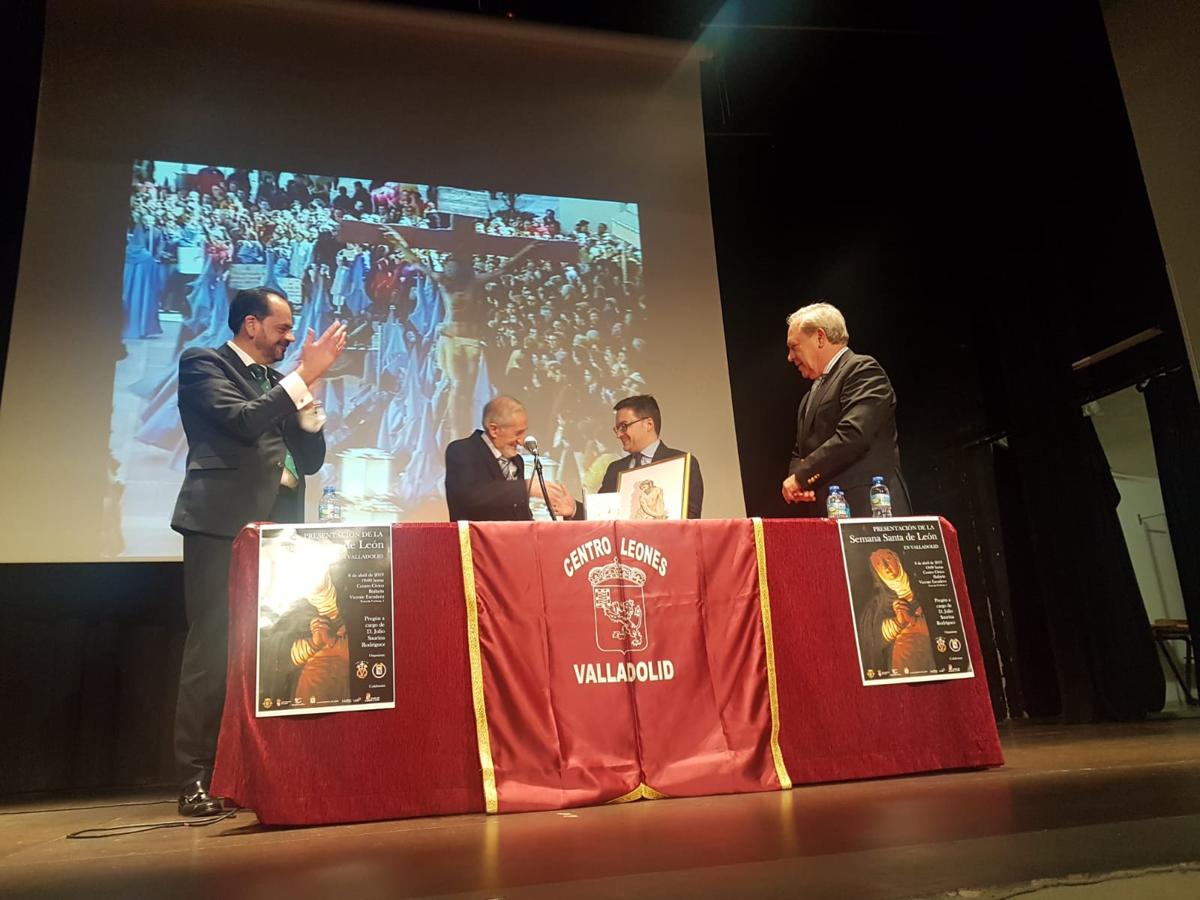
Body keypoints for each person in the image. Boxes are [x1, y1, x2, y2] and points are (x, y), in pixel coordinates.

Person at [170, 286, 347, 816]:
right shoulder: (204, 363)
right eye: (282, 328)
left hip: (280, 531)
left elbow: (308, 462)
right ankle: (195, 777)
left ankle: (256, 771)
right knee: (214, 651)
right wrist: (303, 377)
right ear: (251, 324)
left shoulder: (277, 382)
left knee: (274, 650)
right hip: (221, 526)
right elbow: (243, 421)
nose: (289, 338)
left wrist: (310, 415)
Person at [781, 301, 911, 517]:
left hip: (872, 509)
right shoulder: (809, 396)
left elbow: (853, 435)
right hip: (830, 515)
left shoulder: (862, 370)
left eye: (794, 346)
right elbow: (800, 451)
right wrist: (797, 480)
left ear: (820, 337)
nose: (790, 357)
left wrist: (803, 476)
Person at [445, 395, 582, 521]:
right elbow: (469, 497)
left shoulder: (517, 461)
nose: (522, 441)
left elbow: (519, 516)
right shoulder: (462, 451)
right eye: (517, 433)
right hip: (474, 544)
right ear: (494, 430)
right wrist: (525, 487)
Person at [599, 395, 704, 518]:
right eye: (617, 429)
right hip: (624, 538)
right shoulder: (614, 469)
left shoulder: (682, 463)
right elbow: (598, 516)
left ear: (649, 424)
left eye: (624, 426)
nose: (619, 434)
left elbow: (690, 518)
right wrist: (574, 508)